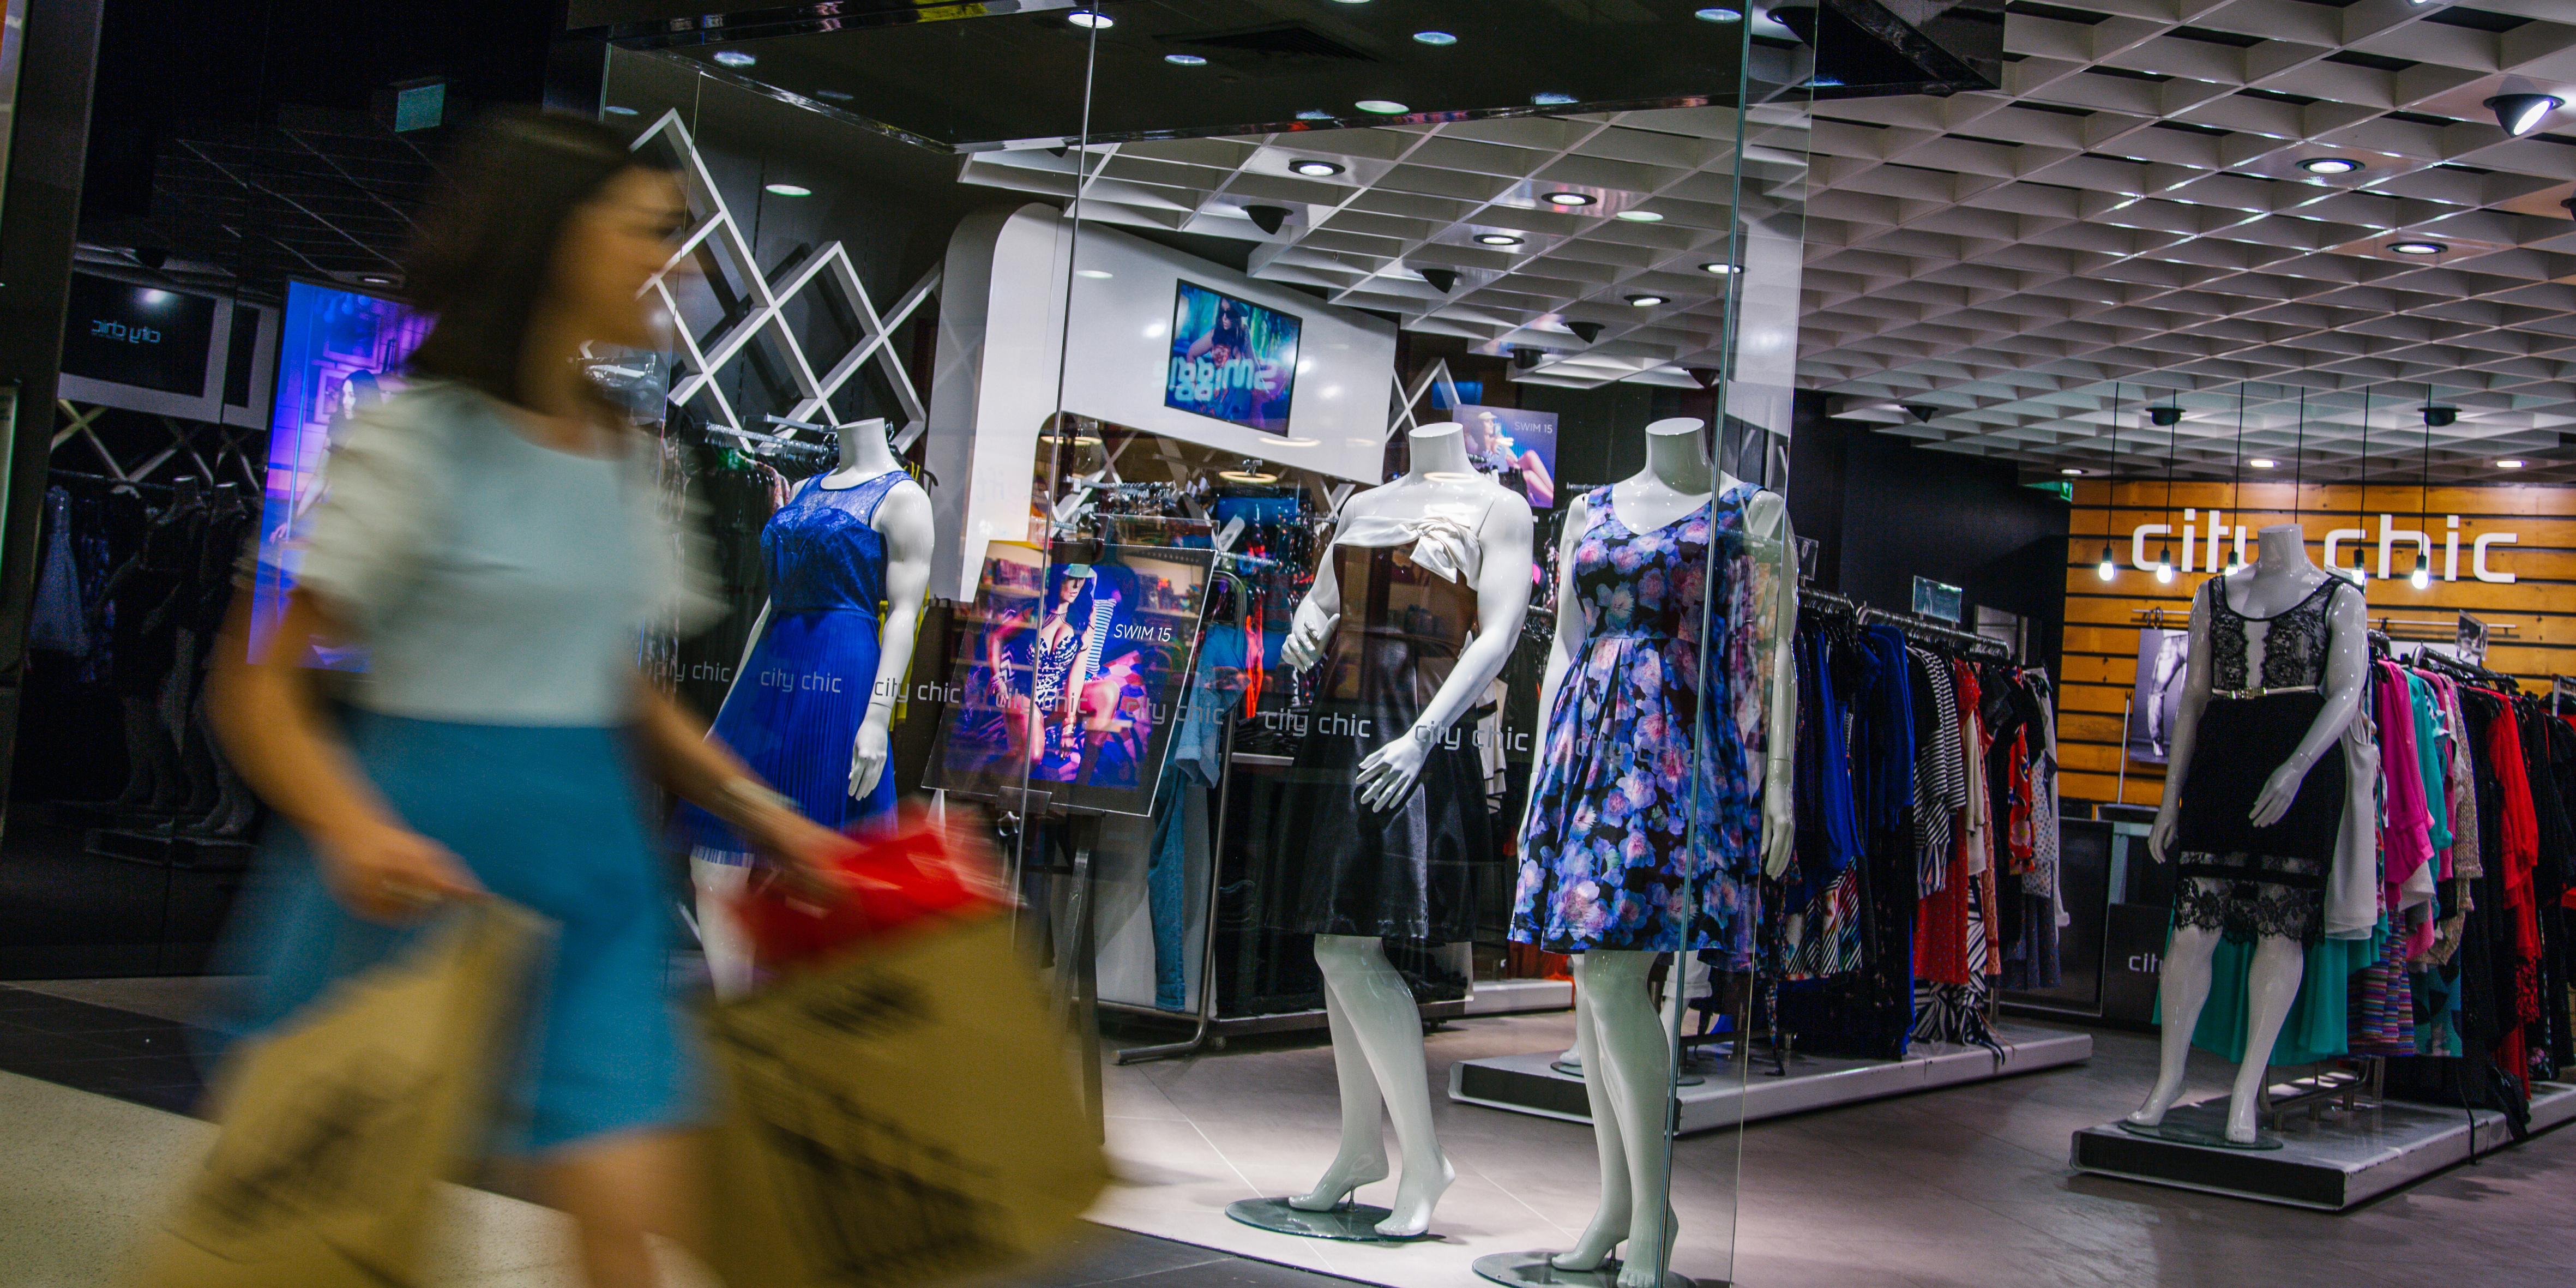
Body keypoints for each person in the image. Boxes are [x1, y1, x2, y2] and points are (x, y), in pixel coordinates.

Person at [207, 112, 848, 1288]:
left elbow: (617, 685)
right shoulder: (418, 439)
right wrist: (351, 828)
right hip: (415, 866)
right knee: (328, 1240)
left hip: (590, 874)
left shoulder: (624, 454)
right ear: (557, 239)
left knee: (628, 1214)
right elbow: (257, 684)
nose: (685, 263)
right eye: (654, 229)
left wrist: (769, 815)